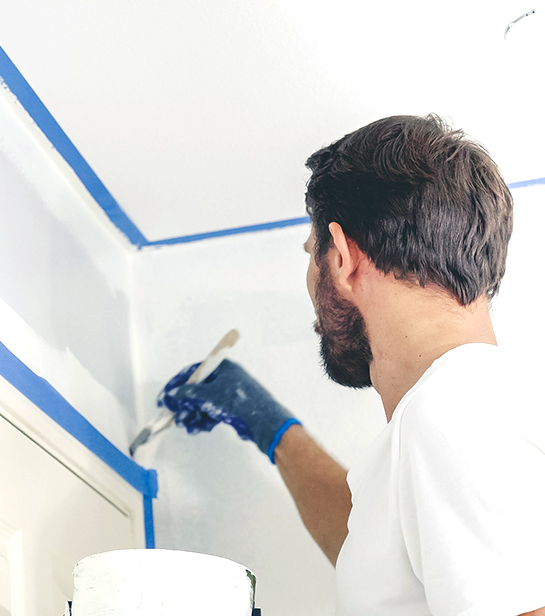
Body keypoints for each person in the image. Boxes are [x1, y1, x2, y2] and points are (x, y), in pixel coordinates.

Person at [159, 115, 545, 616]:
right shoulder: (467, 412)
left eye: (310, 253)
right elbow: (375, 554)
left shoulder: (452, 416)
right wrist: (268, 426)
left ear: (341, 257)